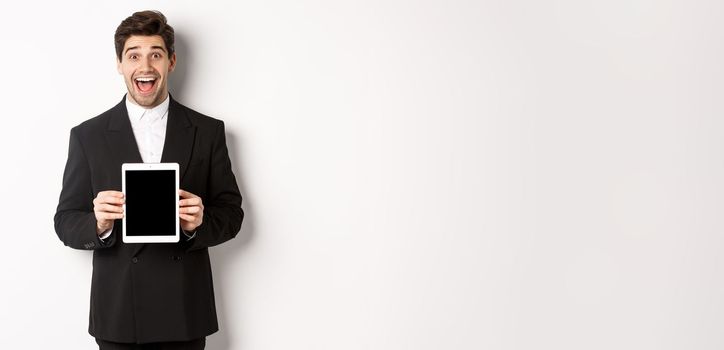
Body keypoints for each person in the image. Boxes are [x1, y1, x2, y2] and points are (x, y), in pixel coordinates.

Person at [54, 10, 243, 350]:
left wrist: (197, 223)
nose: (145, 66)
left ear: (171, 61)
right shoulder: (88, 136)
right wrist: (98, 223)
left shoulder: (208, 130)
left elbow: (232, 214)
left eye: (155, 54)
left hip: (184, 311)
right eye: (134, 55)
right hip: (119, 315)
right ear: (119, 64)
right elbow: (65, 221)